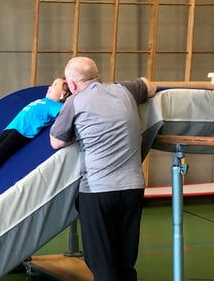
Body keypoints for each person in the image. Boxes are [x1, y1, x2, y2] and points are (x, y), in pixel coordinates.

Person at [49, 57, 156, 281]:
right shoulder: (124, 90)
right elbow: (149, 85)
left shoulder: (75, 101)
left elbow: (56, 141)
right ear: (97, 76)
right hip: (133, 188)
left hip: (98, 190)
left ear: (73, 84)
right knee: (125, 261)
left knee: (101, 261)